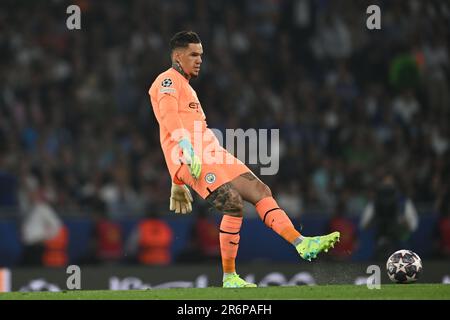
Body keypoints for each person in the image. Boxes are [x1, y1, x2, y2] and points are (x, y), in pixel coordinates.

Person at [148, 31, 340, 288]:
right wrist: (182, 158)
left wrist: (177, 181)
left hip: (212, 153)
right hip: (190, 157)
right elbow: (168, 117)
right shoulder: (167, 81)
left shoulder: (187, 88)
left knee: (260, 190)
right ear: (177, 56)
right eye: (194, 55)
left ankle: (301, 242)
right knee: (233, 203)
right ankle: (230, 277)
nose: (199, 60)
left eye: (201, 55)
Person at [360, 174, 419, 260]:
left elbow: (413, 226)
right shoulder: (375, 203)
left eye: (390, 185)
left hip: (399, 243)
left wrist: (403, 222)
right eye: (385, 185)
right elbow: (364, 225)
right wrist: (375, 220)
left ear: (395, 186)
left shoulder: (404, 202)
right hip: (381, 242)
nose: (387, 189)